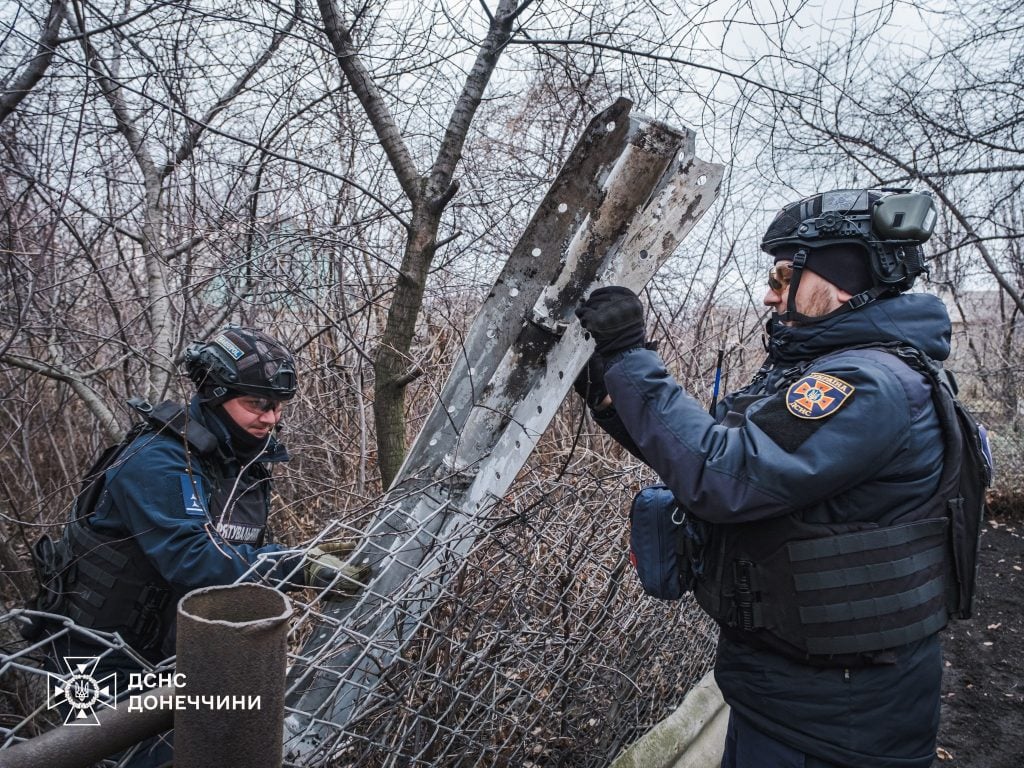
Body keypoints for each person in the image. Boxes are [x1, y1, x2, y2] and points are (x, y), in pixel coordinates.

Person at [575, 189, 953, 768]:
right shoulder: (844, 367)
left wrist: (630, 354)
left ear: (841, 279)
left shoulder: (868, 383)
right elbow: (721, 456)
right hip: (811, 697)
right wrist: (614, 396)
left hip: (829, 723)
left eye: (783, 275)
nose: (769, 294)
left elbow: (720, 477)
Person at [32, 326, 363, 765]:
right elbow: (198, 562)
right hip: (95, 663)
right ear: (213, 393)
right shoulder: (158, 460)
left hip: (176, 655)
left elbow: (229, 551)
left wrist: (291, 559)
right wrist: (293, 566)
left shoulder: (238, 460)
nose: (270, 418)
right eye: (256, 404)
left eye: (278, 406)